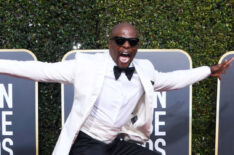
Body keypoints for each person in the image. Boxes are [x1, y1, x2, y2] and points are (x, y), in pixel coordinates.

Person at [0, 22, 233, 155]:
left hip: (115, 144)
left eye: (132, 42)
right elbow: (41, 71)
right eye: (120, 41)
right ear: (110, 43)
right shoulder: (86, 65)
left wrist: (208, 71)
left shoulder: (145, 70)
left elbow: (172, 80)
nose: (126, 46)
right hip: (85, 143)